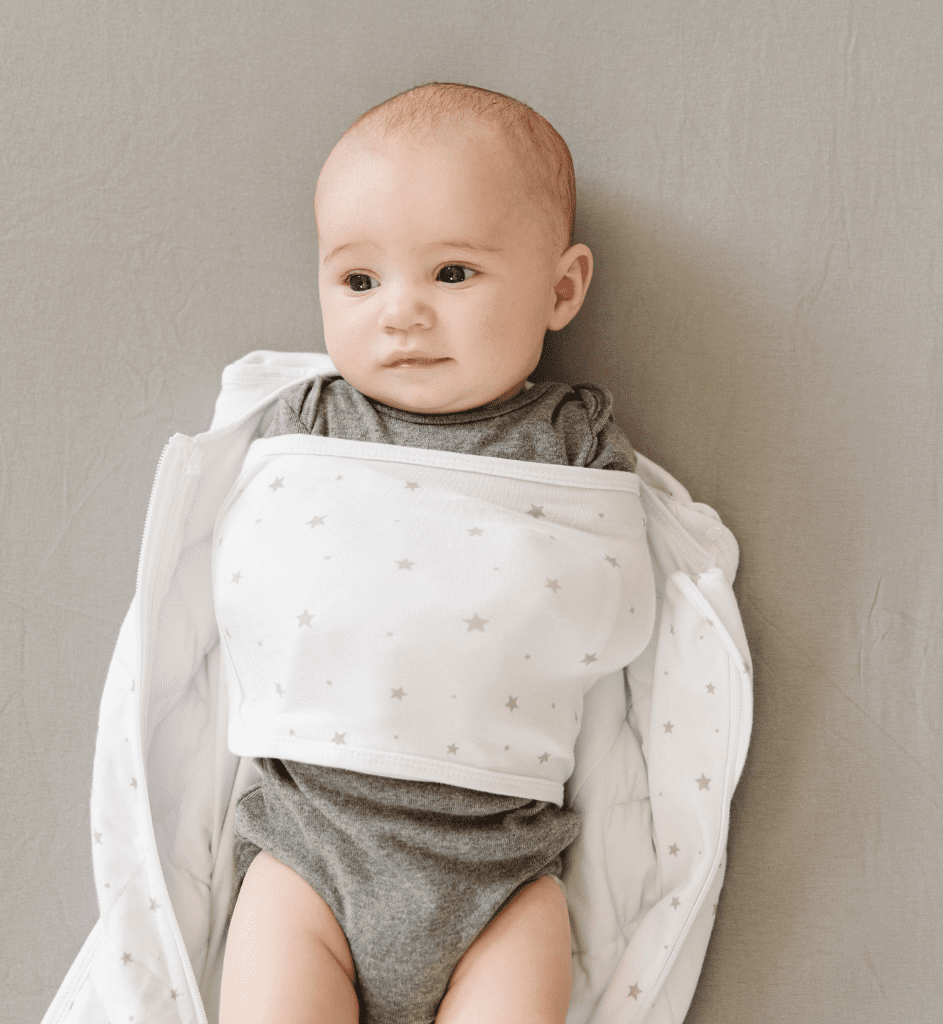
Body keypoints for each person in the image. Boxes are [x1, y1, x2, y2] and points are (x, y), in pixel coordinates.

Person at [218, 82, 641, 1024]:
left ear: (562, 289)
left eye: (452, 273)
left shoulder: (571, 440)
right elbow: (256, 572)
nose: (400, 312)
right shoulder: (311, 423)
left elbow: (609, 592)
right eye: (359, 282)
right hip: (314, 844)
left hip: (503, 867)